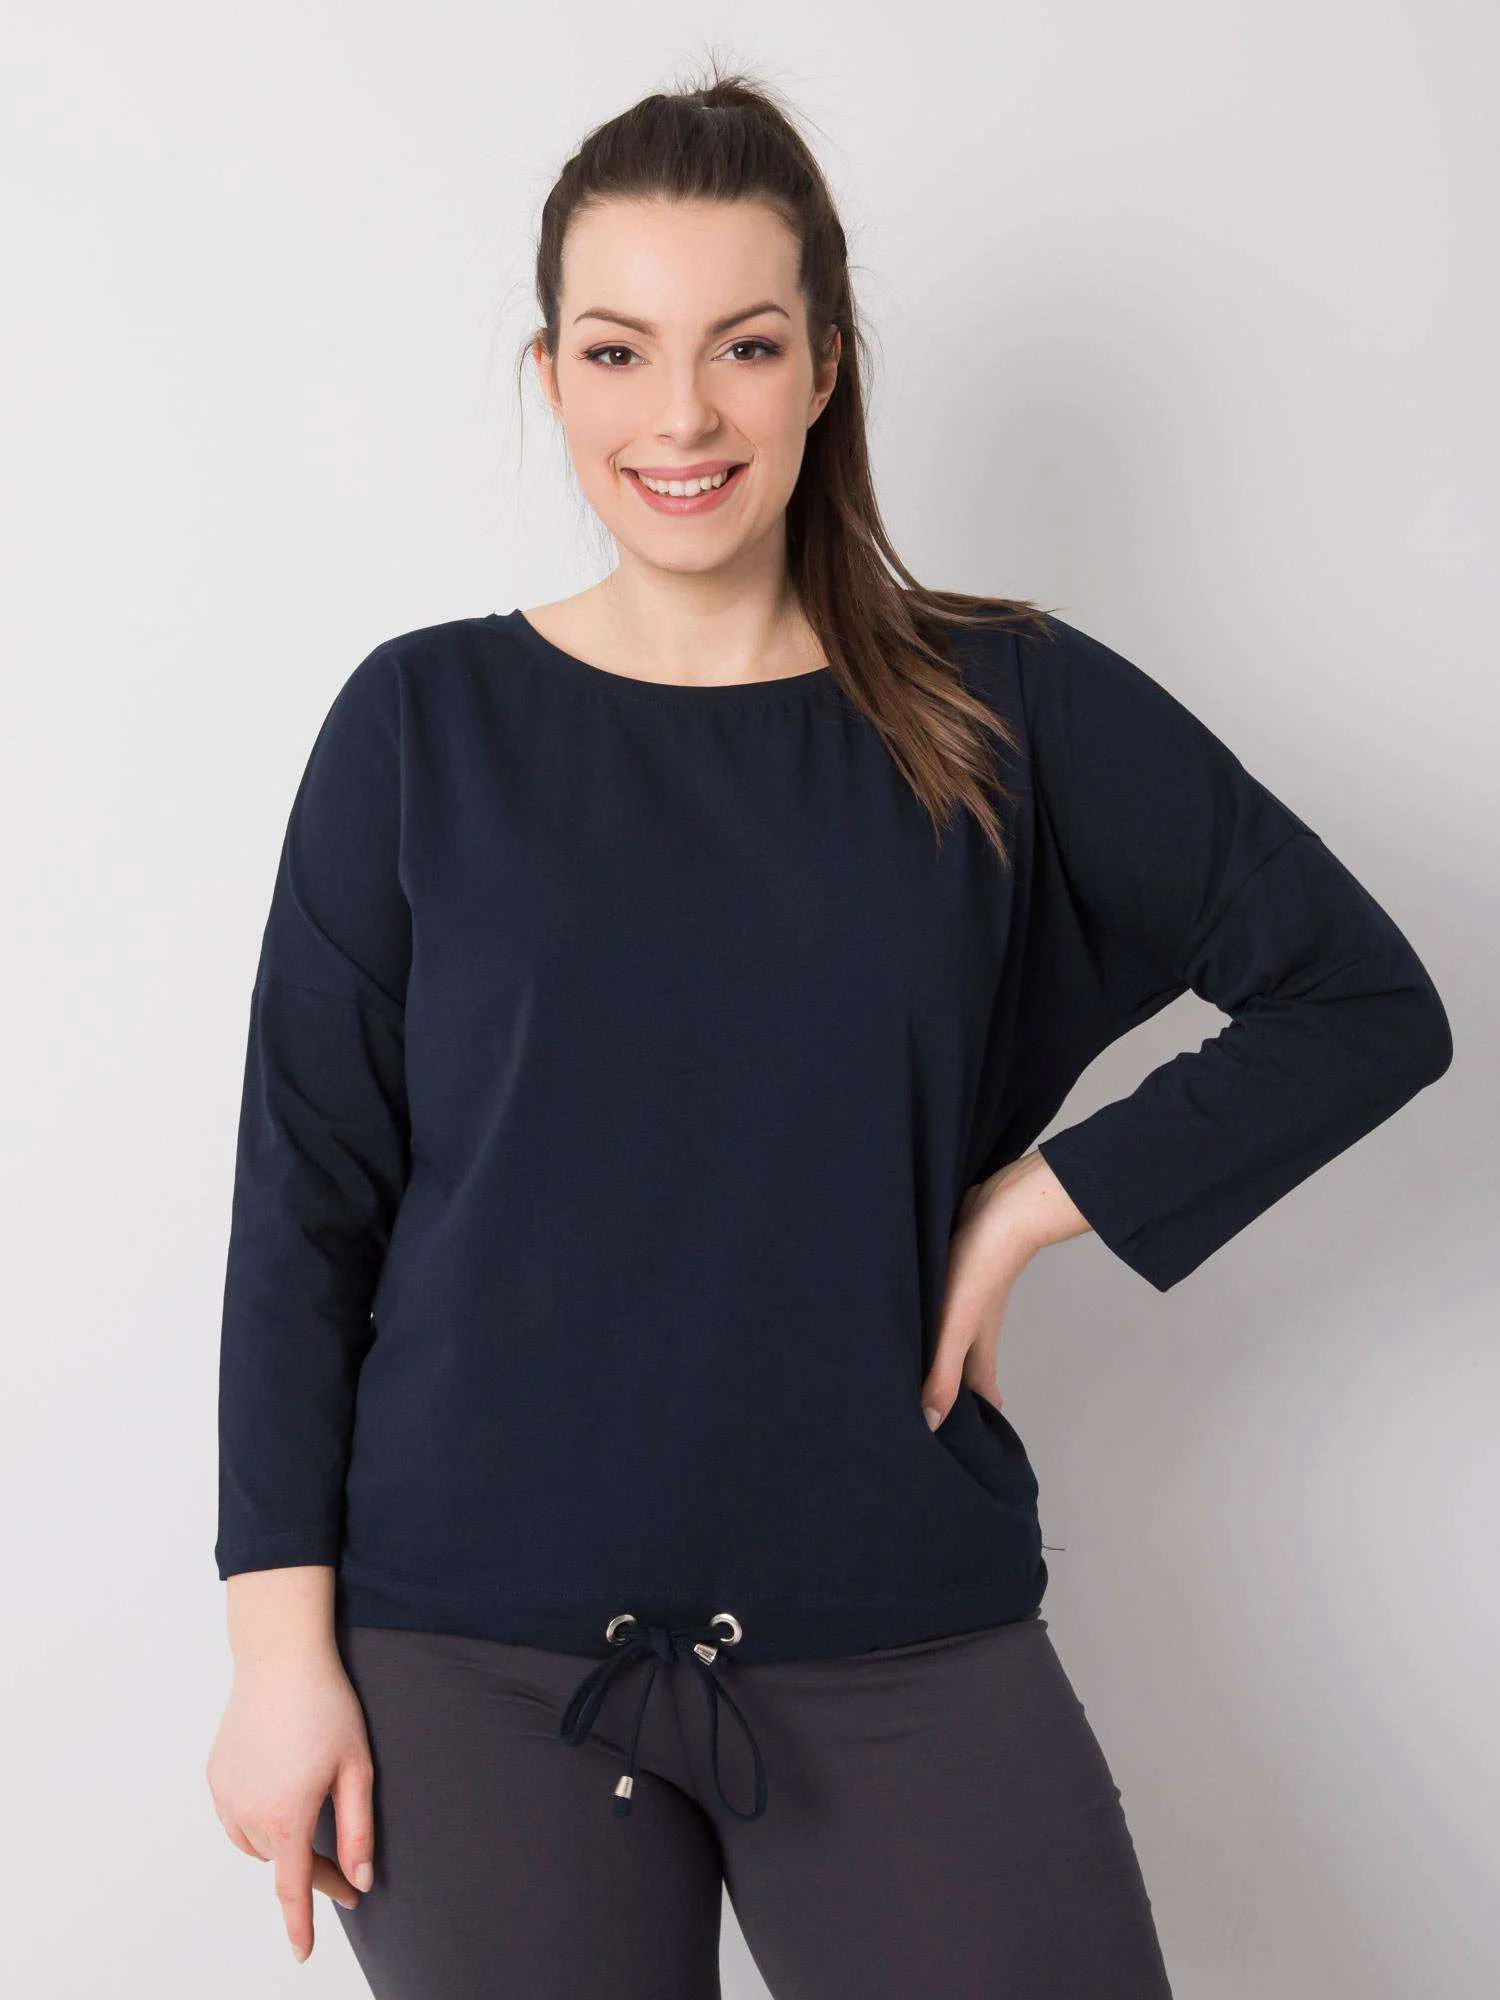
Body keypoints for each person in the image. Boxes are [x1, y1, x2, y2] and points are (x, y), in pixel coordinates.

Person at [204, 66, 1454, 2000]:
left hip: (894, 1614)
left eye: (745, 345)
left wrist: (1028, 1205)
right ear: (551, 376)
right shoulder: (418, 727)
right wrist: (278, 1663)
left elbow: (1364, 1000)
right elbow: (306, 1208)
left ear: (825, 370)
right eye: (618, 351)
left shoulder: (1001, 709)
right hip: (467, 1654)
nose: (680, 416)